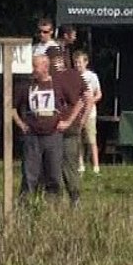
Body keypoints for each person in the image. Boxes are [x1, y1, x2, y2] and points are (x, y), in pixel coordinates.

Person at [12, 53, 72, 198]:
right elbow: (11, 106)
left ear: (45, 67)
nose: (33, 69)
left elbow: (79, 101)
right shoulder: (26, 86)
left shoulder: (58, 84)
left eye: (35, 66)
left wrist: (68, 121)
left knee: (54, 173)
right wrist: (20, 123)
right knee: (29, 173)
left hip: (53, 135)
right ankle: (26, 204)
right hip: (32, 135)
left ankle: (53, 205)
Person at [47, 46, 88, 204]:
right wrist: (80, 119)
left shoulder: (54, 78)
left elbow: (82, 98)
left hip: (60, 127)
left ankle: (58, 197)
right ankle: (73, 197)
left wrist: (69, 121)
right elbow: (87, 97)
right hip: (68, 126)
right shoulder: (76, 75)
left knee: (54, 163)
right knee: (69, 163)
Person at [74, 51, 101, 175]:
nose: (78, 65)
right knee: (78, 139)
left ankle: (96, 166)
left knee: (91, 140)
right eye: (76, 62)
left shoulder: (92, 77)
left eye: (80, 62)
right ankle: (81, 165)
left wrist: (91, 101)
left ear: (86, 62)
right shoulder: (72, 76)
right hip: (76, 113)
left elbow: (99, 94)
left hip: (90, 113)